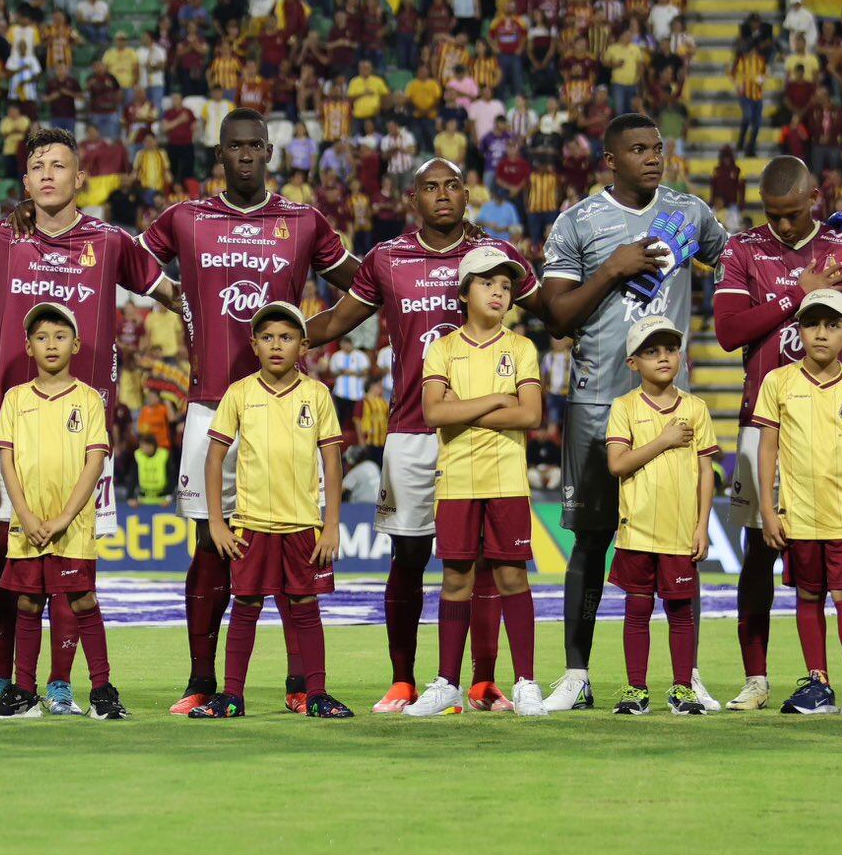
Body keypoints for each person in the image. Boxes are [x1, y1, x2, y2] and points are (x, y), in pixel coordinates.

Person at [140, 109, 358, 716]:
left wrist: (306, 332)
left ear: (269, 151)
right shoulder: (185, 218)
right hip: (212, 403)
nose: (244, 155)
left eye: (255, 146)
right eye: (233, 147)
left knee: (292, 543)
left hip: (286, 408)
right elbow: (128, 261)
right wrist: (169, 294)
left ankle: (298, 686)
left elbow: (363, 285)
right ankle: (202, 682)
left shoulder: (303, 220)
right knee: (211, 547)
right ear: (219, 153)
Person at [0, 127, 179, 717]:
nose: (48, 174)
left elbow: (171, 293)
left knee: (73, 569)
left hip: (86, 427)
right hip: (16, 419)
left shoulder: (109, 242)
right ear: (25, 181)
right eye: (37, 166)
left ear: (81, 177)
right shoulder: (3, 236)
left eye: (60, 165)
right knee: (5, 556)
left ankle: (60, 683)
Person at [306, 158, 541, 713]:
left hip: (480, 441)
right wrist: (278, 337)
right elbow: (338, 321)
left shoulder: (494, 256)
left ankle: (482, 682)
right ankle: (405, 680)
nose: (442, 195)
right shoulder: (387, 258)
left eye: (452, 186)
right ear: (413, 198)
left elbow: (550, 308)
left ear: (467, 194)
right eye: (430, 187)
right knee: (409, 558)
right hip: (413, 430)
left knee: (483, 562)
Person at [539, 113, 728, 713]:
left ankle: (684, 674)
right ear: (610, 161)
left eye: (658, 148)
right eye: (638, 149)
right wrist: (613, 269)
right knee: (591, 541)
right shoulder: (578, 222)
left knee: (675, 543)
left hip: (671, 409)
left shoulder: (690, 214)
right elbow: (557, 318)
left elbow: (732, 267)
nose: (653, 157)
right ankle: (576, 673)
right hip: (598, 402)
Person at [712, 157, 842, 712]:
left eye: (791, 214)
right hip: (762, 424)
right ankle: (756, 678)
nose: (782, 226)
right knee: (759, 551)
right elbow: (728, 333)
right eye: (772, 214)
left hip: (836, 426)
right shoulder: (742, 251)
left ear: (815, 197)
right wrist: (797, 296)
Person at [191, 302, 350, 719]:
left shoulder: (316, 394)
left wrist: (330, 525)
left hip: (302, 525)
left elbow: (332, 462)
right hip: (251, 524)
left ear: (303, 345)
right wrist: (216, 521)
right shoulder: (239, 393)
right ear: (254, 345)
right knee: (244, 606)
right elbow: (214, 459)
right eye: (267, 338)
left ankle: (316, 693)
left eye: (286, 337)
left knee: (305, 607)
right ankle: (231, 696)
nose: (276, 345)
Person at [406, 249, 546, 718]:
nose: (499, 292)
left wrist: (464, 407)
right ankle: (447, 683)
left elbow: (530, 414)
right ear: (465, 293)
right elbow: (433, 413)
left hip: (507, 479)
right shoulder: (442, 347)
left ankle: (526, 681)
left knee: (511, 576)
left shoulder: (522, 347)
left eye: (506, 286)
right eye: (488, 284)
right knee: (455, 578)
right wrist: (495, 399)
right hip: (457, 482)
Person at [754, 291, 842, 717]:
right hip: (798, 514)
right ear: (799, 330)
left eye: (832, 325)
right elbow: (767, 450)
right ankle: (818, 684)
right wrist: (767, 508)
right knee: (809, 595)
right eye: (812, 324)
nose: (821, 333)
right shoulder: (777, 382)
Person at [0, 302, 125, 719]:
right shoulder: (14, 398)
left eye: (60, 336)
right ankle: (24, 692)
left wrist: (64, 517)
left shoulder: (88, 399)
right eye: (41, 337)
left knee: (83, 601)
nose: (51, 344)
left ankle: (102, 691)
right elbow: (6, 462)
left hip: (73, 525)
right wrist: (25, 516)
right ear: (28, 347)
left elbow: (94, 462)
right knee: (27, 603)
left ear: (76, 344)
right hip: (26, 525)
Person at [604, 318, 718, 715]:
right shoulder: (624, 408)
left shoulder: (696, 408)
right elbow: (617, 464)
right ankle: (636, 688)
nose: (663, 357)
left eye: (669, 349)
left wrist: (702, 525)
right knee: (637, 610)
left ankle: (683, 688)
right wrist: (665, 440)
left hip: (680, 531)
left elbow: (706, 472)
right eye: (651, 351)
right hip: (637, 530)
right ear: (633, 363)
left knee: (681, 612)